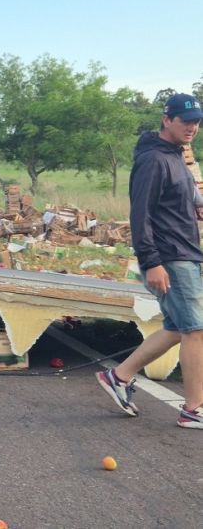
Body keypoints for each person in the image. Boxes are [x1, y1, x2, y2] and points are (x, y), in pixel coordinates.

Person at [97, 93, 203, 428]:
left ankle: (120, 376)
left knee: (176, 327)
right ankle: (193, 410)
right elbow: (139, 214)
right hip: (170, 256)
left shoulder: (176, 155)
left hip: (183, 251)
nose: (192, 127)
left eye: (196, 121)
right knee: (196, 330)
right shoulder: (154, 160)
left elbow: (180, 196)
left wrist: (197, 205)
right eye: (185, 120)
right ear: (166, 119)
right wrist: (151, 261)